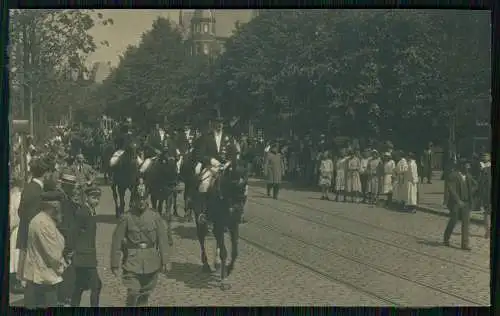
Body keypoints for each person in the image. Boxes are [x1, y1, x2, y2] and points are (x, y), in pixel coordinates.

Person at [110, 183, 171, 306]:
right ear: (134, 200)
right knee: (133, 291)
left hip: (151, 260)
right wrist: (114, 264)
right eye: (138, 199)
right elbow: (117, 241)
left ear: (147, 198)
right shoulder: (126, 217)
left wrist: (165, 261)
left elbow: (162, 239)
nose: (141, 202)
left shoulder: (155, 216)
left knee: (144, 295)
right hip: (132, 261)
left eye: (144, 198)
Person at [23, 191, 69, 308]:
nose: (60, 211)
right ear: (53, 207)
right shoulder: (43, 223)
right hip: (43, 276)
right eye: (58, 207)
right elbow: (53, 252)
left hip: (42, 274)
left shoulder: (46, 220)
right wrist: (63, 263)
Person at [16, 158, 50, 285]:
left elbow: (20, 211)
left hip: (26, 232)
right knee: (32, 273)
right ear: (45, 174)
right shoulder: (37, 191)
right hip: (33, 236)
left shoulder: (29, 187)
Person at [69, 187, 103, 307]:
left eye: (98, 198)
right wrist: (70, 250)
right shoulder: (83, 212)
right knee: (96, 285)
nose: (97, 200)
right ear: (87, 198)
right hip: (84, 257)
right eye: (94, 198)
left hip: (86, 256)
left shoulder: (90, 211)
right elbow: (73, 232)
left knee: (79, 286)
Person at [443, 159, 476, 251]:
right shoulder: (453, 176)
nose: (468, 168)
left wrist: (470, 193)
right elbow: (452, 190)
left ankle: (465, 244)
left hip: (466, 203)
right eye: (466, 166)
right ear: (461, 166)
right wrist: (458, 201)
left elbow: (475, 185)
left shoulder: (468, 176)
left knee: (466, 224)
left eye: (468, 166)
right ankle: (446, 238)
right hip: (455, 204)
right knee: (453, 221)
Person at [9, 177, 24, 293]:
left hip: (16, 228)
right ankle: (18, 281)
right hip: (19, 227)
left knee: (15, 252)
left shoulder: (13, 196)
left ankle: (15, 280)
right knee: (17, 253)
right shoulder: (19, 196)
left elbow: (13, 216)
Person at [478, 152, 491, 238]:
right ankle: (487, 231)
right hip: (486, 194)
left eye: (486, 156)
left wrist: (484, 169)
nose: (484, 157)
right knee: (486, 214)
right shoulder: (481, 167)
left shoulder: (487, 167)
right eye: (483, 156)